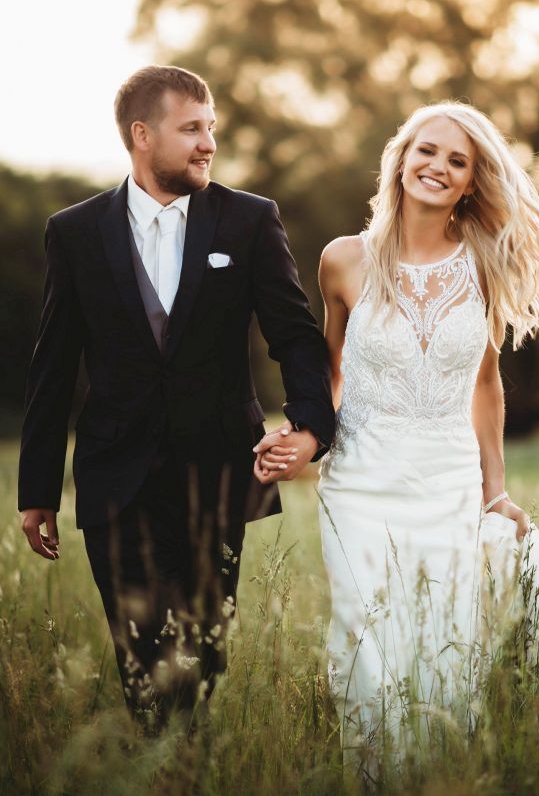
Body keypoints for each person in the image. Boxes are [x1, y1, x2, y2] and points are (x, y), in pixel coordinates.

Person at [18, 65, 334, 732]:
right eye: (191, 128)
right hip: (114, 478)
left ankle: (187, 782)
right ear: (142, 134)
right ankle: (164, 779)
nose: (207, 143)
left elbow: (296, 339)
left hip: (216, 474)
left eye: (210, 128)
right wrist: (37, 489)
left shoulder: (248, 221)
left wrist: (308, 428)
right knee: (142, 656)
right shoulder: (74, 232)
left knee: (201, 656)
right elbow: (54, 365)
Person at [258, 101, 539, 774]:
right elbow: (331, 373)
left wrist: (495, 492)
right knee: (369, 641)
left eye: (457, 162)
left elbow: (486, 385)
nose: (438, 167)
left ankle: (438, 790)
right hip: (362, 482)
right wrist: (305, 438)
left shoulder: (486, 263)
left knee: (443, 643)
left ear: (469, 184)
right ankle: (371, 788)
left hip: (448, 478)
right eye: (427, 151)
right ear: (400, 157)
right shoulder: (341, 262)